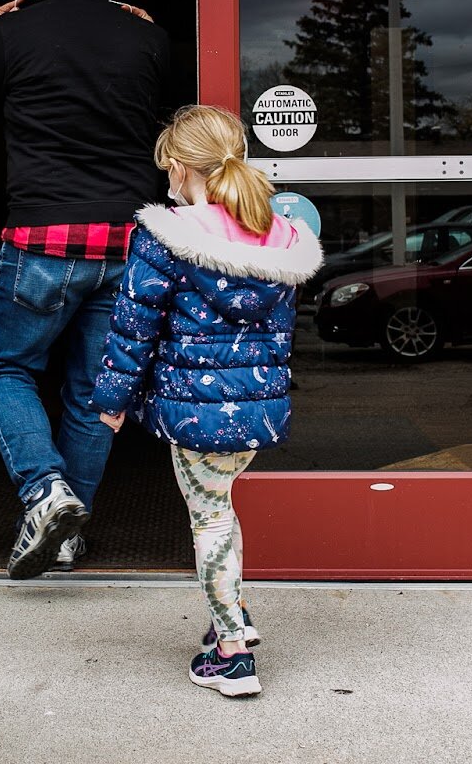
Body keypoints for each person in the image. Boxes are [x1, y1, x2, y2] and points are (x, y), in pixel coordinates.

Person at [0, 0, 172, 579]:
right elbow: (171, 111)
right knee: (94, 391)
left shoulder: (13, 29)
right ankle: (68, 536)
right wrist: (150, 35)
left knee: (4, 367)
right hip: (127, 240)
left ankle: (44, 490)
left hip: (42, 238)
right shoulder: (146, 35)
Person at [91, 106, 322, 697]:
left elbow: (132, 323)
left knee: (209, 516)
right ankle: (234, 615)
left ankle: (232, 654)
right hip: (257, 409)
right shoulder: (279, 234)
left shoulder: (168, 235)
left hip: (196, 410)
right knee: (222, 507)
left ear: (175, 165)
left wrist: (112, 398)